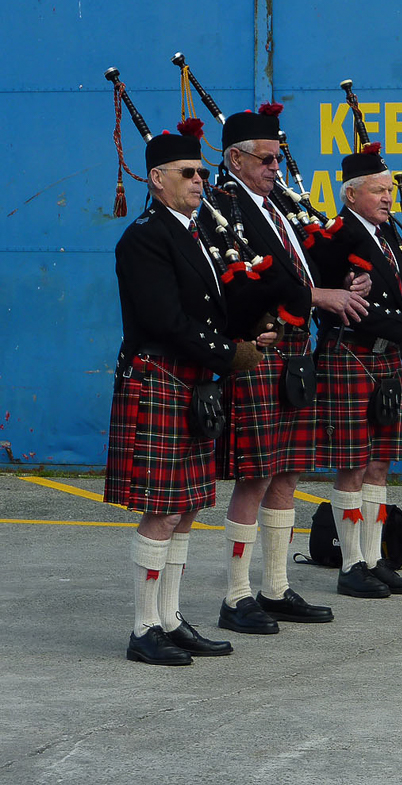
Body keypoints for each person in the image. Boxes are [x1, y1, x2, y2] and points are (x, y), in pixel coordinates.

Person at [107, 126, 271, 664]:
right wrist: (232, 354)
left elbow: (211, 309)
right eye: (189, 173)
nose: (201, 181)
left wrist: (250, 328)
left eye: (203, 172)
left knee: (188, 507)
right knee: (161, 508)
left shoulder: (193, 232)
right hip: (161, 378)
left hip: (192, 381)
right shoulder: (143, 238)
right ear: (157, 180)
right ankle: (142, 628)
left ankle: (171, 619)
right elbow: (166, 318)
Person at [210, 105, 368, 633]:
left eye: (277, 158)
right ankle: (236, 596)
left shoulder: (278, 206)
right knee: (255, 474)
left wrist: (346, 283)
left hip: (296, 349)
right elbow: (256, 280)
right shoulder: (223, 207)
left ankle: (274, 587)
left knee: (289, 470)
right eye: (266, 159)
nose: (276, 167)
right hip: (261, 348)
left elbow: (306, 264)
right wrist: (318, 294)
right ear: (234, 159)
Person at [313, 144, 402, 597]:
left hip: (386, 357)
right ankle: (351, 564)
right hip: (350, 353)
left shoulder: (386, 235)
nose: (389, 198)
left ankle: (374, 559)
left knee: (379, 463)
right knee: (352, 465)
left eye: (390, 189)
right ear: (351, 195)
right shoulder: (337, 239)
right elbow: (351, 308)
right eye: (378, 190)